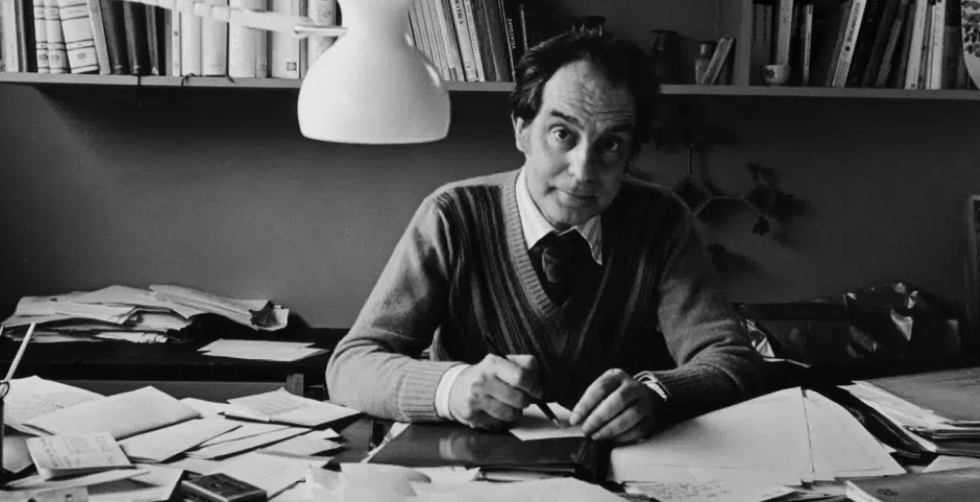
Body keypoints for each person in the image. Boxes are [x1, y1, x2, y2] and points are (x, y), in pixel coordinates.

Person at [325, 31, 764, 444]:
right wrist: (451, 387)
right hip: (471, 474)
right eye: (562, 134)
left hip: (621, 471)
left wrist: (658, 394)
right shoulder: (453, 215)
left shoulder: (661, 221)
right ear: (522, 129)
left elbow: (732, 360)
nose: (583, 170)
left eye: (611, 144)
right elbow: (350, 365)